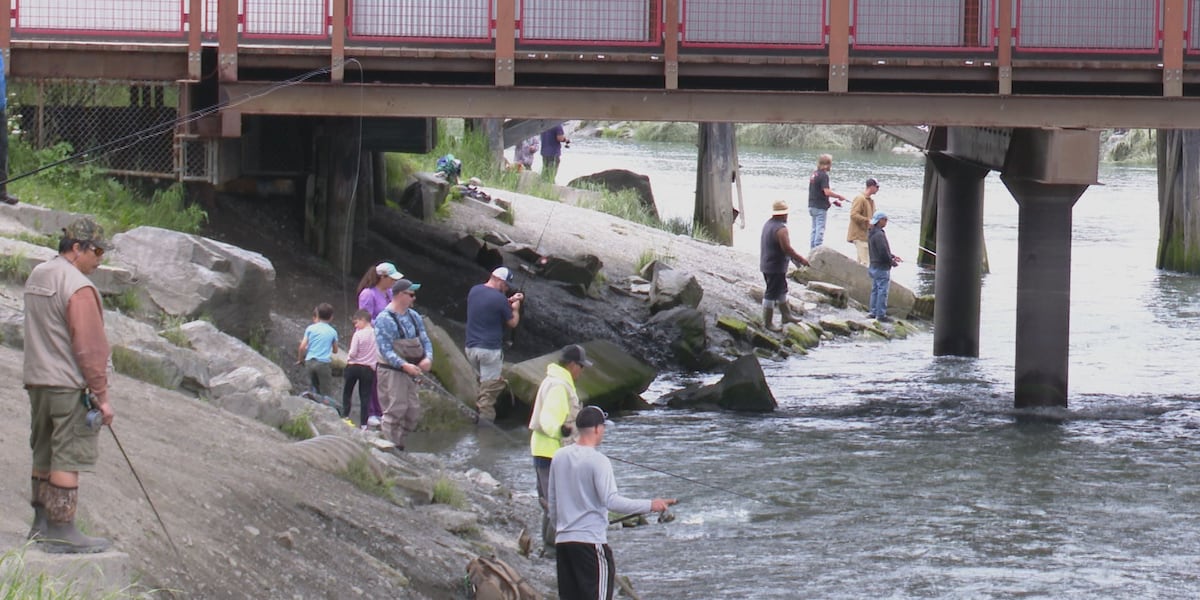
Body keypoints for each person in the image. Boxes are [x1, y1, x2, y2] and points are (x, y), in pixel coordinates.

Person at [23, 216, 114, 553]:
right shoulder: (78, 286)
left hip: (37, 382)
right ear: (78, 248)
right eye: (98, 250)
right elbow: (90, 348)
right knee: (67, 454)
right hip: (66, 385)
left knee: (42, 449)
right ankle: (63, 529)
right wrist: (102, 397)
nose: (101, 258)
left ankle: (40, 525)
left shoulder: (39, 275)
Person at [548, 406, 676, 600]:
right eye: (604, 427)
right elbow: (611, 501)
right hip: (591, 545)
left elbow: (553, 501)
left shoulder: (559, 456)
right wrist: (651, 504)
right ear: (598, 429)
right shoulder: (599, 461)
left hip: (564, 544)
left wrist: (561, 529)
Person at [529, 344, 591, 553]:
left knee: (550, 502)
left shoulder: (554, 381)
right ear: (573, 365)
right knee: (557, 504)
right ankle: (553, 550)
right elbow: (548, 419)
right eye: (581, 367)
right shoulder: (558, 386)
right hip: (551, 453)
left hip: (545, 451)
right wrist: (561, 431)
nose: (581, 372)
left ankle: (549, 547)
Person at [374, 278, 433, 450]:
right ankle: (390, 447)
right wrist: (404, 365)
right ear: (400, 295)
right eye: (411, 294)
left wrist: (428, 358)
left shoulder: (414, 316)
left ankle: (400, 443)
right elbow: (385, 350)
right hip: (391, 371)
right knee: (395, 409)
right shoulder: (384, 319)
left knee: (413, 411)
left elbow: (425, 340)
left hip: (412, 372)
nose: (414, 298)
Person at [465, 266, 524, 423]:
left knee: (482, 385)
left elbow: (489, 304)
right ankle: (485, 432)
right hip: (489, 351)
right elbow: (512, 322)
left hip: (470, 349)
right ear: (499, 280)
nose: (506, 289)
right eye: (505, 285)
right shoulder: (499, 300)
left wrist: (508, 301)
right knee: (488, 395)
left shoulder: (475, 291)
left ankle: (474, 418)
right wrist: (515, 308)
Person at [356, 262, 402, 426]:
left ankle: (380, 409)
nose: (393, 282)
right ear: (382, 277)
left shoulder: (389, 293)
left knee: (382, 376)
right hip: (370, 340)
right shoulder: (368, 294)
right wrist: (385, 325)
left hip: (385, 340)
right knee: (371, 376)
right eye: (391, 279)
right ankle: (370, 412)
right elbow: (365, 319)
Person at [760, 201, 811, 332]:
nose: (787, 216)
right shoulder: (781, 229)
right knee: (771, 293)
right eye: (786, 214)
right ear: (783, 215)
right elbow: (787, 249)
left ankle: (786, 315)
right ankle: (768, 322)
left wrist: (794, 261)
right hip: (775, 266)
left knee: (782, 289)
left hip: (767, 264)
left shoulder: (768, 224)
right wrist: (801, 260)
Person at [342, 309, 379, 427]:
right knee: (365, 396)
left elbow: (353, 352)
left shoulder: (358, 334)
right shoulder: (377, 334)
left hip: (354, 366)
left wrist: (348, 356)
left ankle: (345, 416)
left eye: (356, 322)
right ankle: (364, 424)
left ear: (363, 320)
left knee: (347, 392)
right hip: (369, 369)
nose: (356, 325)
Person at [297, 302, 339, 401]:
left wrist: (300, 359)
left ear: (318, 314)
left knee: (312, 388)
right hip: (323, 363)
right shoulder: (332, 332)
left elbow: (302, 347)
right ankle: (327, 411)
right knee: (326, 391)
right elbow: (335, 350)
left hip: (309, 361)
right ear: (331, 317)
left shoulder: (310, 328)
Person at [867, 211, 902, 323]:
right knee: (882, 291)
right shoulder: (880, 235)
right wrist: (892, 262)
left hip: (873, 265)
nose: (886, 222)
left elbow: (881, 251)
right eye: (885, 219)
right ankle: (881, 315)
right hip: (881, 268)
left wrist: (893, 256)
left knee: (875, 290)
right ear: (880, 220)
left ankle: (873, 312)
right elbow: (883, 252)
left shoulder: (872, 233)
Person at [807, 154, 847, 249]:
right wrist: (839, 196)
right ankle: (818, 249)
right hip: (820, 207)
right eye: (830, 164)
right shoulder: (824, 176)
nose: (831, 166)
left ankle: (812, 249)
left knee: (814, 229)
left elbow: (817, 192)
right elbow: (826, 192)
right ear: (826, 164)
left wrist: (831, 202)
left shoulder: (814, 174)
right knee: (820, 229)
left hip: (812, 205)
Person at [846, 178, 880, 265]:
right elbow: (853, 215)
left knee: (860, 262)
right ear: (871, 187)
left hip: (866, 236)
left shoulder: (871, 201)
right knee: (866, 262)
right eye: (877, 187)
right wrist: (867, 220)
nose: (878, 189)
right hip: (859, 236)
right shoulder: (860, 198)